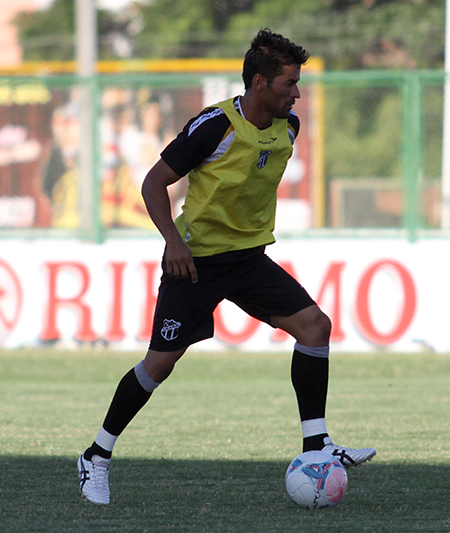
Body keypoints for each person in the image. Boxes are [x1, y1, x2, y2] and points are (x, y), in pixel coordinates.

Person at [77, 29, 376, 506]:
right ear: (259, 83)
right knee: (159, 364)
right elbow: (154, 183)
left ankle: (317, 445)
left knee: (315, 326)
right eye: (289, 84)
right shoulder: (214, 125)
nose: (296, 93)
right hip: (194, 263)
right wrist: (172, 243)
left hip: (247, 259)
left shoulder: (289, 126)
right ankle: (96, 455)